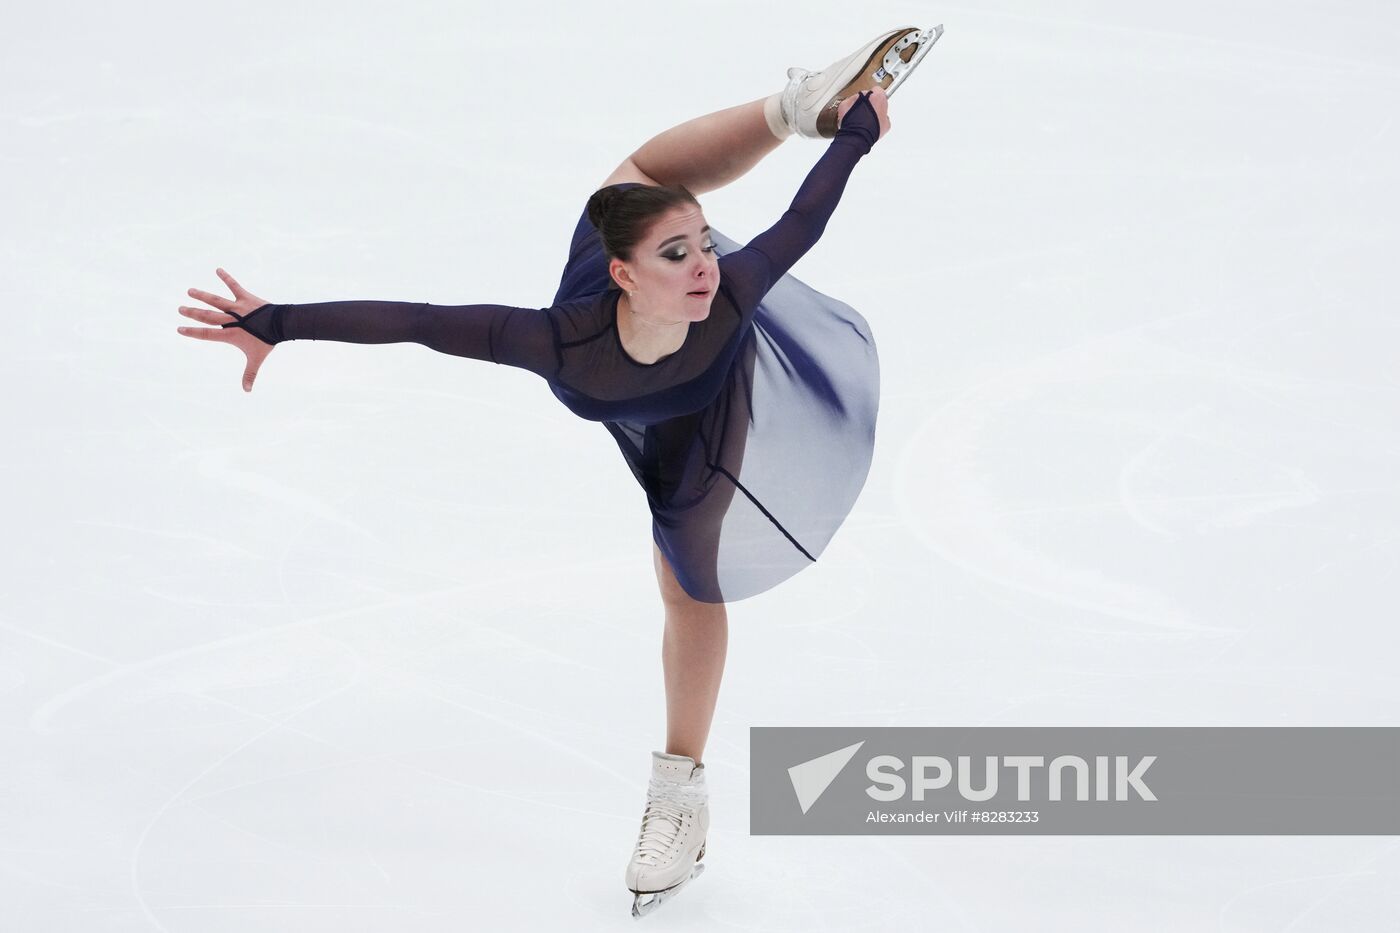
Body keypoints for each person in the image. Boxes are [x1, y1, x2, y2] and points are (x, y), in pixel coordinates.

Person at [177, 24, 941, 917]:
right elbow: (420, 320)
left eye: (704, 245)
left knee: (692, 575)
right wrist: (277, 320)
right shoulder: (555, 342)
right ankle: (794, 104)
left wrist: (857, 132)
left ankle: (678, 795)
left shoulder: (724, 292)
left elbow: (803, 218)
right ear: (620, 274)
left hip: (703, 400)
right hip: (622, 345)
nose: (706, 264)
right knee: (634, 184)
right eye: (677, 254)